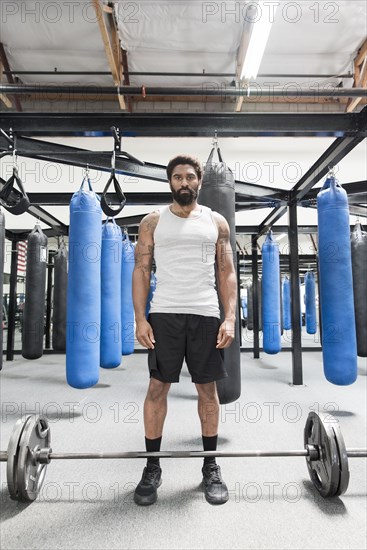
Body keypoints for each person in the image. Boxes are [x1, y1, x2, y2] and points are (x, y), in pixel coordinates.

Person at [132, 154, 237, 506]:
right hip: (165, 314)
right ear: (170, 182)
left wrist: (230, 317)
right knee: (157, 387)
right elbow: (142, 271)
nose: (184, 183)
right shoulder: (152, 222)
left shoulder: (216, 222)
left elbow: (226, 272)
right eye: (177, 177)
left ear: (200, 181)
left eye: (190, 177)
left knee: (207, 390)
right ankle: (152, 466)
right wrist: (141, 317)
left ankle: (210, 466)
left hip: (206, 314)